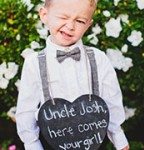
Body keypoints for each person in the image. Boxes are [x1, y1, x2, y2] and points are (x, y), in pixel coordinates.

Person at [16, 0, 130, 149]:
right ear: (44, 15)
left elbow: (112, 100)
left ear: (88, 24)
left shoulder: (98, 58)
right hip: (52, 143)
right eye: (63, 17)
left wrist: (119, 138)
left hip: (94, 140)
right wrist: (32, 144)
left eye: (80, 21)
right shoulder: (34, 64)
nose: (70, 26)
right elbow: (26, 109)